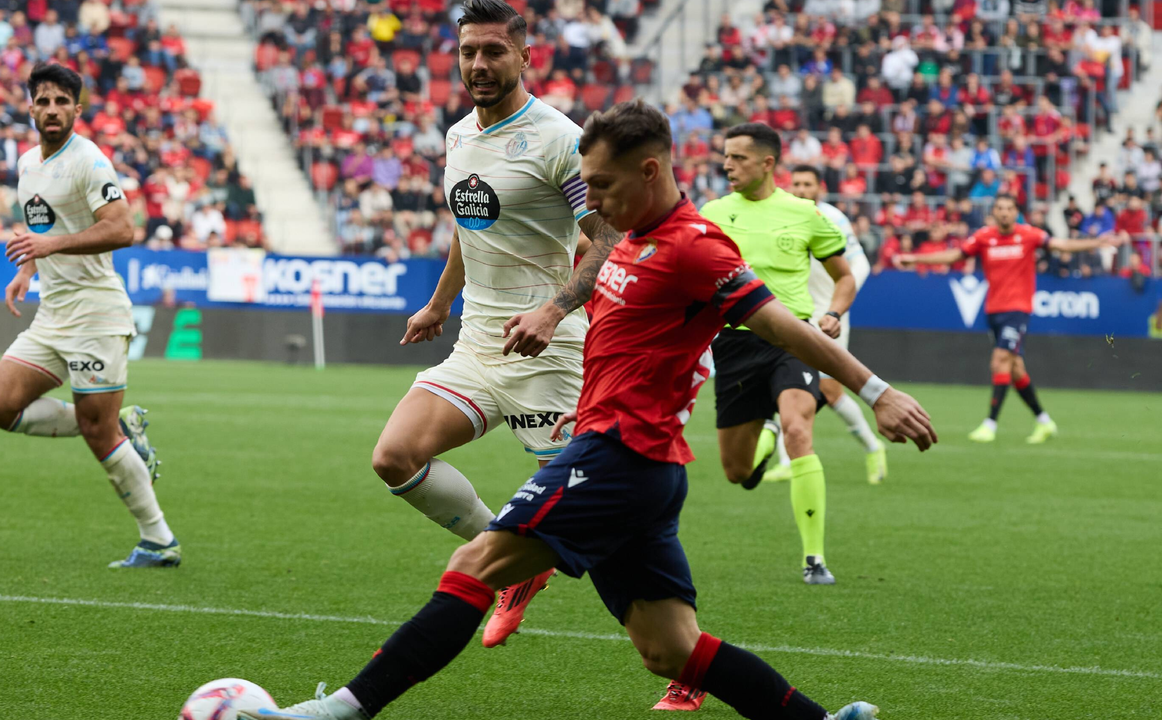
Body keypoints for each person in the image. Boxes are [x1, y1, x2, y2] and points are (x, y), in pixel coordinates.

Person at [238, 96, 936, 720]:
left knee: (474, 566)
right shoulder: (627, 237)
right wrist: (537, 305)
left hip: (619, 455)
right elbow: (576, 266)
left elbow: (785, 326)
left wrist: (879, 393)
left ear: (652, 172)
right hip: (644, 469)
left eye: (602, 186)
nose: (591, 202)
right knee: (670, 650)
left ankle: (337, 710)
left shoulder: (696, 250)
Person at [369, 0, 624, 649]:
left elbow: (607, 239)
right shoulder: (459, 136)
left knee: (596, 521)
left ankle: (686, 657)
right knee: (394, 457)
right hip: (478, 343)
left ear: (525, 56)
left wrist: (555, 307)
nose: (479, 64)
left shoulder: (560, 141)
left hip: (550, 350)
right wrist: (439, 302)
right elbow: (469, 224)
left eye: (493, 51)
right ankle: (511, 565)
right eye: (469, 52)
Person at [651, 125, 858, 711]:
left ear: (769, 163)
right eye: (725, 157)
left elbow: (843, 276)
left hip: (792, 337)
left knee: (800, 427)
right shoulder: (713, 212)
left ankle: (814, 558)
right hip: (735, 346)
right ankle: (764, 444)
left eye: (738, 158)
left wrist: (834, 314)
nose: (728, 165)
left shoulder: (809, 214)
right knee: (738, 471)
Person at [0, 63, 175, 568]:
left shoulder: (90, 162)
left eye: (61, 102)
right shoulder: (28, 164)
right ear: (30, 109)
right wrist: (28, 265)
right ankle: (122, 427)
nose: (51, 110)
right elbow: (40, 225)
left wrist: (51, 245)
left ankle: (158, 539)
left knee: (96, 434)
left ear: (76, 110)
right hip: (53, 314)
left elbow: (122, 229)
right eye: (43, 101)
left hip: (96, 313)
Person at [894, 195, 1122, 443]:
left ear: (1016, 212)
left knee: (1000, 359)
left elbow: (1061, 245)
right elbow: (955, 256)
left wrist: (1096, 242)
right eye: (1000, 208)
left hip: (1018, 309)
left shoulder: (1029, 234)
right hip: (994, 311)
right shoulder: (984, 237)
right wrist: (916, 259)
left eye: (1009, 208)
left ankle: (990, 424)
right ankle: (1044, 421)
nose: (1004, 213)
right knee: (1015, 368)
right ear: (994, 213)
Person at [769, 165, 887, 485]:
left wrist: (840, 304)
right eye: (796, 183)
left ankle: (873, 447)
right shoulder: (781, 215)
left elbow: (858, 262)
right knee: (784, 384)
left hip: (829, 315)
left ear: (820, 187)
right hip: (794, 313)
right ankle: (786, 460)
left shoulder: (833, 218)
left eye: (808, 184)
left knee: (831, 391)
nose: (802, 189)